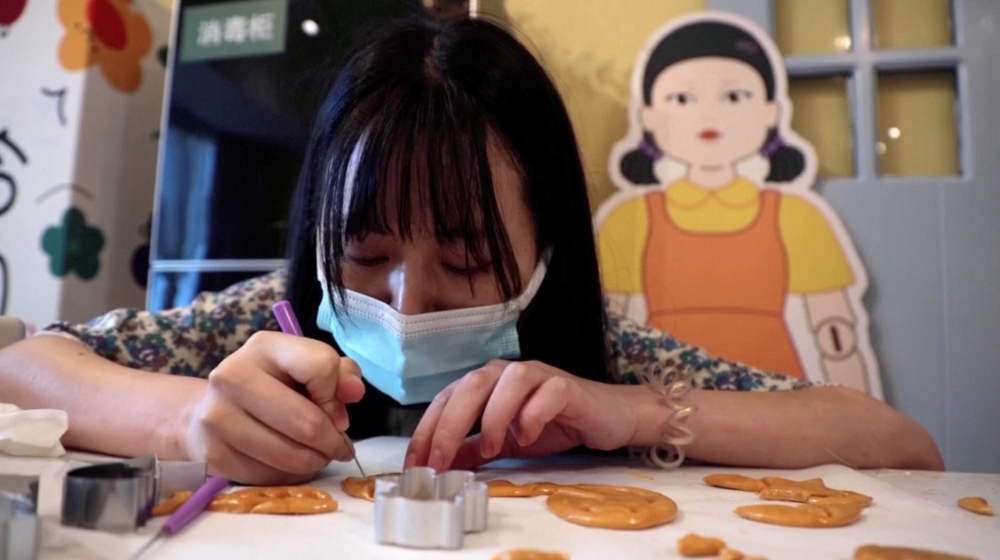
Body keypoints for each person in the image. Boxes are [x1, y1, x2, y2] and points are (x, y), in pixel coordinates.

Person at [0, 16, 942, 485]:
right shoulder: (265, 325)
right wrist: (186, 422)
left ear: (544, 254)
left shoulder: (592, 364)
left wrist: (628, 412)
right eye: (367, 255)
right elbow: (25, 366)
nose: (408, 303)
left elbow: (900, 447)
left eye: (466, 261)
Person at [598, 18, 871, 389]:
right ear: (648, 116)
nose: (710, 115)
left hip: (775, 401)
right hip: (665, 409)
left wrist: (852, 424)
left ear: (771, 111)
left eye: (734, 96)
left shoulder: (797, 216)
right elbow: (605, 337)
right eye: (682, 98)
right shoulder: (628, 219)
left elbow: (836, 336)